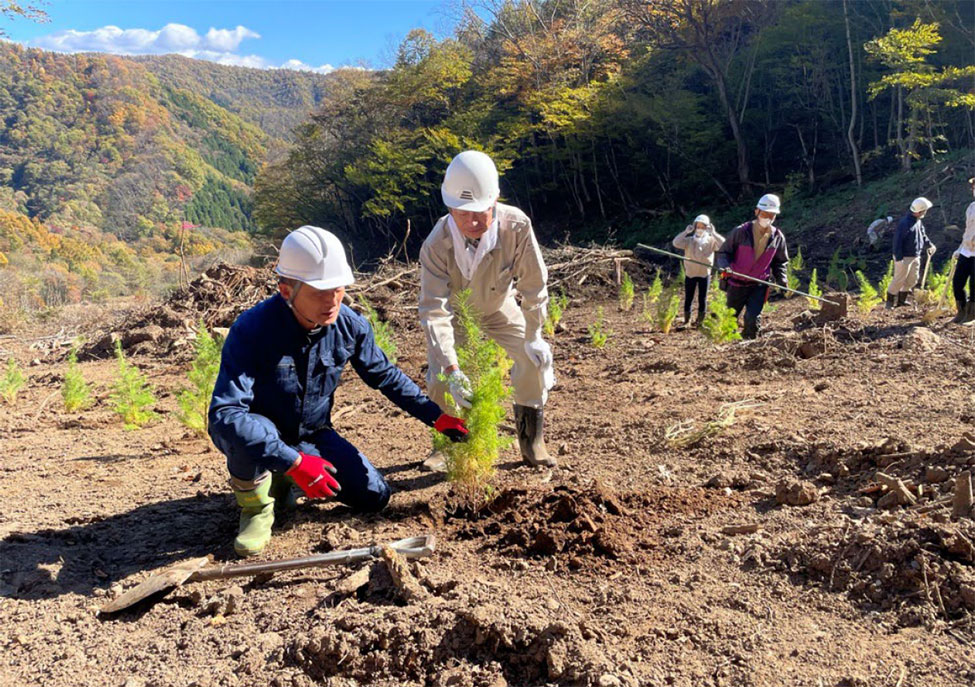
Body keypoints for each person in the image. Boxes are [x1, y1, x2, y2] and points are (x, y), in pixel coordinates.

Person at [209, 225, 468, 557]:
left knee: (375, 496)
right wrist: (295, 462)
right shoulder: (251, 330)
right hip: (262, 432)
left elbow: (384, 376)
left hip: (312, 434)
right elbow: (226, 414)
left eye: (338, 289)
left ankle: (285, 478)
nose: (332, 302)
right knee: (249, 431)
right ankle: (257, 508)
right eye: (319, 292)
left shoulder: (349, 325)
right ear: (286, 290)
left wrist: (435, 417)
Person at [419, 150, 556, 471]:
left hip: (498, 306)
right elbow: (433, 310)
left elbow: (534, 286)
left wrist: (535, 335)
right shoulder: (436, 245)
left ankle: (531, 442)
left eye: (481, 211)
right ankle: (444, 446)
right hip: (455, 315)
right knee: (439, 379)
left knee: (532, 360)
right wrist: (452, 369)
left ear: (494, 200)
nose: (473, 221)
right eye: (463, 213)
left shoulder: (517, 226)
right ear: (449, 208)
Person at [715, 194, 789, 339]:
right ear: (757, 212)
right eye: (764, 214)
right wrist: (725, 267)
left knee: (752, 320)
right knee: (730, 318)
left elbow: (780, 262)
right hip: (736, 282)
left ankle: (749, 345)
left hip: (759, 284)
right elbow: (724, 252)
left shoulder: (778, 237)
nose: (767, 217)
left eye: (771, 215)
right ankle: (726, 347)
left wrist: (782, 278)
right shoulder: (741, 232)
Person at [672, 214, 724, 327]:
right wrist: (686, 232)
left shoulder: (711, 241)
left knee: (702, 298)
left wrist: (714, 233)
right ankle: (687, 321)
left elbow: (724, 245)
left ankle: (700, 322)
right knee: (689, 297)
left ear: (707, 227)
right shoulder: (689, 240)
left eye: (702, 226)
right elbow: (676, 243)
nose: (700, 229)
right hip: (690, 274)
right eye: (698, 226)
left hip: (704, 275)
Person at [886, 197, 936, 309]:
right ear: (919, 211)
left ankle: (901, 301)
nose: (926, 212)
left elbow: (923, 235)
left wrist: (930, 245)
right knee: (899, 279)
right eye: (925, 210)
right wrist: (899, 258)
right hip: (904, 257)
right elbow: (897, 241)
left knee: (912, 279)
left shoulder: (918, 221)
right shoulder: (904, 223)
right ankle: (889, 302)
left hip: (915, 255)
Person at [951, 177, 975, 324]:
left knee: (974, 284)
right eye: (973, 188)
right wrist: (960, 248)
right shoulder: (971, 207)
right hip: (966, 250)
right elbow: (967, 230)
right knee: (957, 282)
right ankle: (962, 312)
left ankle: (972, 316)